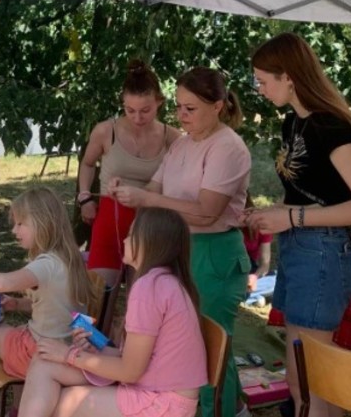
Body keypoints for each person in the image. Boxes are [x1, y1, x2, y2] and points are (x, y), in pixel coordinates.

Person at [246, 32, 351, 417]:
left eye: (263, 80)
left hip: (323, 252)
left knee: (308, 379)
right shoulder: (294, 122)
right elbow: (312, 193)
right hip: (300, 249)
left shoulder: (331, 127)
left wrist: (291, 217)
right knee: (305, 377)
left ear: (289, 77)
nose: (259, 89)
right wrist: (273, 212)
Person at [109, 67, 251, 417]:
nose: (181, 116)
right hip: (185, 250)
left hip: (215, 253)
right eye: (178, 107)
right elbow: (155, 189)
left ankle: (220, 409)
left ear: (217, 106)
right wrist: (131, 195)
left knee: (210, 346)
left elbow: (206, 213)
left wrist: (147, 199)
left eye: (190, 108)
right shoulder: (183, 144)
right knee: (189, 345)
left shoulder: (228, 147)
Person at [17, 207, 207, 417]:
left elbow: (130, 371)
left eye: (131, 235)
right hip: (156, 390)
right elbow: (138, 360)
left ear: (150, 243)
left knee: (55, 404)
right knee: (44, 361)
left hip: (161, 402)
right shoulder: (164, 281)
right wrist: (96, 350)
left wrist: (69, 355)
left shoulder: (150, 288)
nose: (124, 240)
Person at [0, 187, 99, 410]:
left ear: (43, 223)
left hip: (37, 353)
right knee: (15, 334)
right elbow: (55, 305)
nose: (14, 230)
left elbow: (3, 283)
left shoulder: (46, 264)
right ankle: (17, 408)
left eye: (20, 223)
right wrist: (16, 304)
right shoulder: (70, 258)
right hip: (67, 348)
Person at [78, 60, 180, 286]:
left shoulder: (172, 138)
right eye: (130, 110)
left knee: (142, 291)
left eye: (145, 110)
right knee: (99, 291)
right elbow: (87, 164)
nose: (137, 118)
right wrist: (85, 197)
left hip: (151, 221)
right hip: (110, 215)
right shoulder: (106, 130)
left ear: (159, 102)